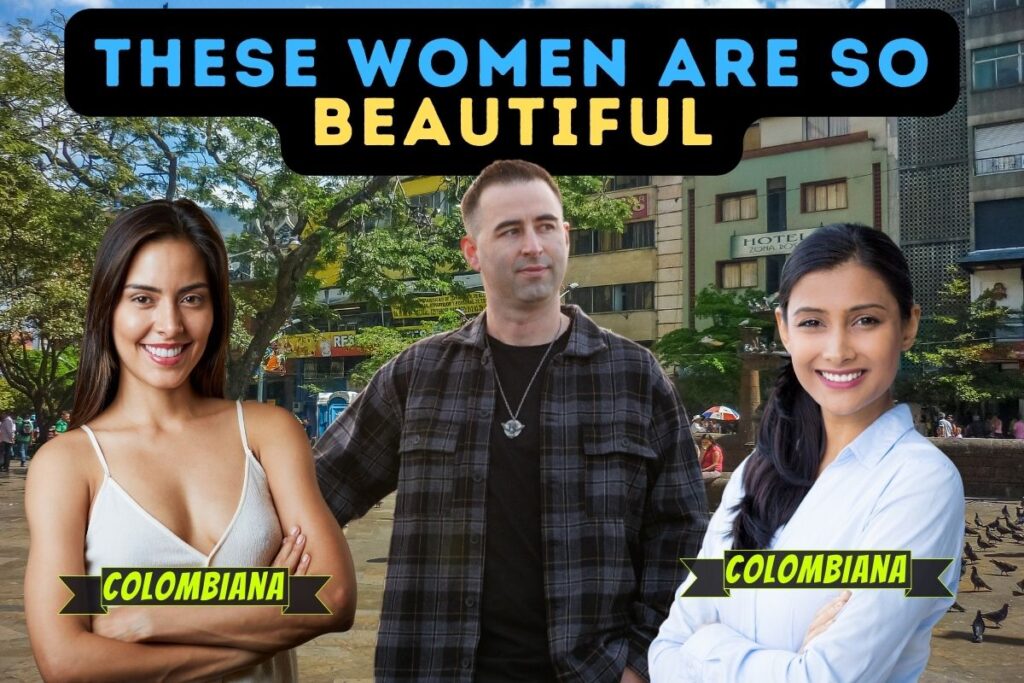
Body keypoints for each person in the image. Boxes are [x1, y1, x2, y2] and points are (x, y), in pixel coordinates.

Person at [315, 160, 708, 682]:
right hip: (434, 666)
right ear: (472, 252)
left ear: (565, 236)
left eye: (546, 225)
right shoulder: (417, 375)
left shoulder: (635, 374)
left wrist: (641, 661)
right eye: (510, 230)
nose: (533, 245)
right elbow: (318, 494)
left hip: (592, 671)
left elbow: (689, 538)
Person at [24, 198, 357, 681]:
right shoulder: (68, 463)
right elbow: (66, 661)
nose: (170, 325)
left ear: (215, 310)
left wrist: (147, 617)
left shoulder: (268, 432)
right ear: (108, 307)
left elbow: (334, 598)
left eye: (191, 298)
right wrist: (266, 601)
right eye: (143, 298)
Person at [649, 223, 964, 682]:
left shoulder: (921, 484)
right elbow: (665, 652)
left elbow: (824, 678)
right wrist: (783, 662)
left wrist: (707, 647)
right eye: (813, 322)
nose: (837, 351)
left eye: (866, 320)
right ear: (784, 329)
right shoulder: (756, 472)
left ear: (909, 326)